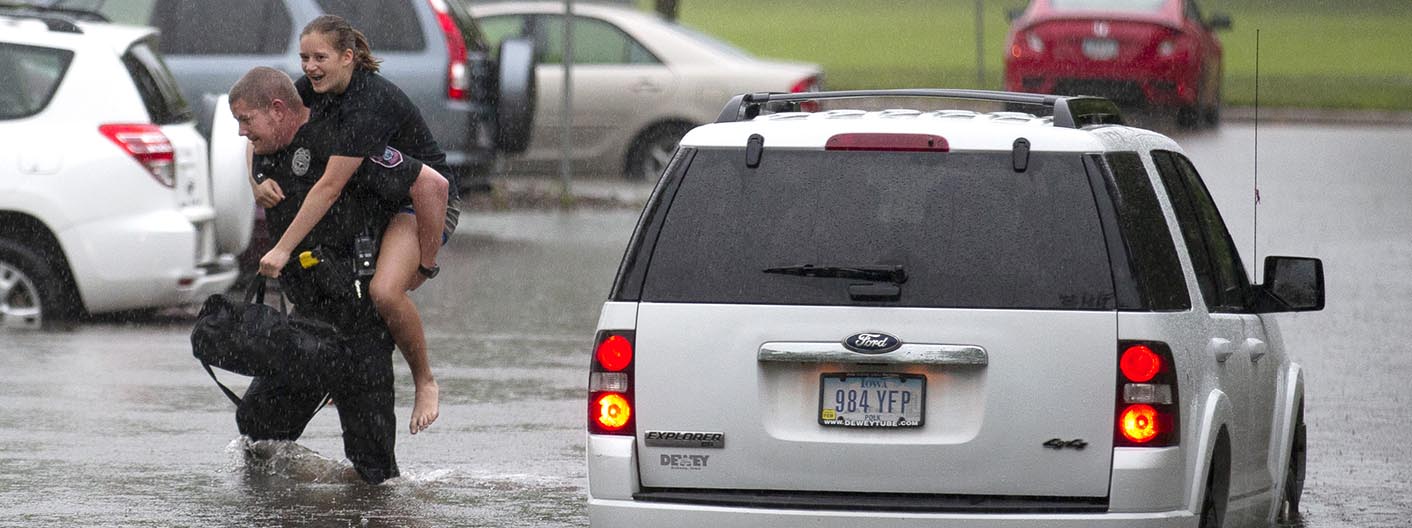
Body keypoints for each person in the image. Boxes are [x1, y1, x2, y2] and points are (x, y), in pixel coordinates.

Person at [255, 15, 456, 435]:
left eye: (320, 57)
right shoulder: (309, 88)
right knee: (337, 287)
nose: (309, 67)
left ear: (348, 58)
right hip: (373, 197)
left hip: (419, 201)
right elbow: (260, 126)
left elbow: (329, 187)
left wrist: (426, 263)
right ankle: (340, 376)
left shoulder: (369, 104)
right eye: (304, 57)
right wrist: (257, 179)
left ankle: (425, 381)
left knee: (384, 291)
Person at [229, 66, 429, 484]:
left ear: (278, 110)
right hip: (308, 318)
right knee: (257, 430)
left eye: (246, 121)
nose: (243, 132)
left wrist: (425, 263)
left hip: (357, 322)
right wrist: (254, 180)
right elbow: (254, 154)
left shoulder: (343, 143)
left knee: (374, 469)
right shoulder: (267, 148)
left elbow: (428, 184)